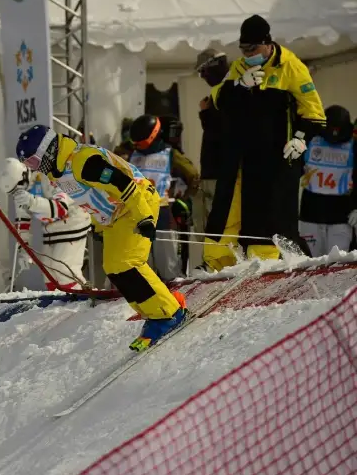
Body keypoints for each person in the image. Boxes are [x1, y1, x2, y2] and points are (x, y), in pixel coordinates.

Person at [15, 124, 187, 352]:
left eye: (34, 162)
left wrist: (144, 216)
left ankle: (169, 313)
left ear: (47, 150)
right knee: (113, 268)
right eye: (29, 165)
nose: (34, 169)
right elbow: (91, 197)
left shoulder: (83, 161)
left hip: (136, 204)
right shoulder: (59, 172)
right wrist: (98, 224)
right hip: (116, 217)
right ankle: (156, 310)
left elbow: (124, 184)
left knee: (127, 263)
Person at [203, 15, 325, 271]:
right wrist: (238, 84)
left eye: (253, 49)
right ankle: (218, 265)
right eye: (243, 50)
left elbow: (314, 112)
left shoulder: (291, 67)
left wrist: (301, 139)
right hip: (241, 157)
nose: (248, 55)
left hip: (276, 158)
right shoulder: (238, 67)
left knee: (270, 218)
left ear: (267, 44)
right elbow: (217, 98)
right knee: (226, 212)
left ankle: (271, 267)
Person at [0, 157, 92, 289]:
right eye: (12, 192)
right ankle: (58, 301)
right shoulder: (21, 192)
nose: (17, 193)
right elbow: (22, 222)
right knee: (48, 271)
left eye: (17, 188)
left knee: (63, 268)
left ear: (24, 176)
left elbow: (61, 209)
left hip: (73, 222)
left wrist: (32, 202)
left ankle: (82, 298)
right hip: (52, 229)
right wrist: (24, 250)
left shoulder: (48, 177)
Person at [128, 114, 200, 280]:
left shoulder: (170, 154)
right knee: (140, 259)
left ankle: (173, 288)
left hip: (161, 211)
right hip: (135, 212)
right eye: (136, 143)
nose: (139, 146)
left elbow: (193, 176)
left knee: (166, 257)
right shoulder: (131, 154)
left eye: (142, 143)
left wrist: (183, 199)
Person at [298, 105, 356, 256]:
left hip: (341, 216)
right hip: (310, 213)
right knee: (309, 265)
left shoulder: (353, 145)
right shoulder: (310, 140)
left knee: (337, 268)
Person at [195, 49, 229, 232]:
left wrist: (206, 113)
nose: (202, 77)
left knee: (216, 226)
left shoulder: (226, 91)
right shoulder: (221, 90)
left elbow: (221, 131)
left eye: (203, 72)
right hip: (215, 170)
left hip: (219, 171)